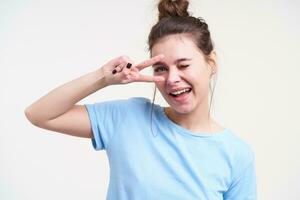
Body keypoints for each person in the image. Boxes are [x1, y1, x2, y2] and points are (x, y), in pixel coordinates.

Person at [24, 0, 257, 199]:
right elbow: (39, 114)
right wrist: (102, 78)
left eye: (183, 65)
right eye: (161, 68)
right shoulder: (129, 117)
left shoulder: (236, 154)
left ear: (211, 63)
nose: (172, 79)